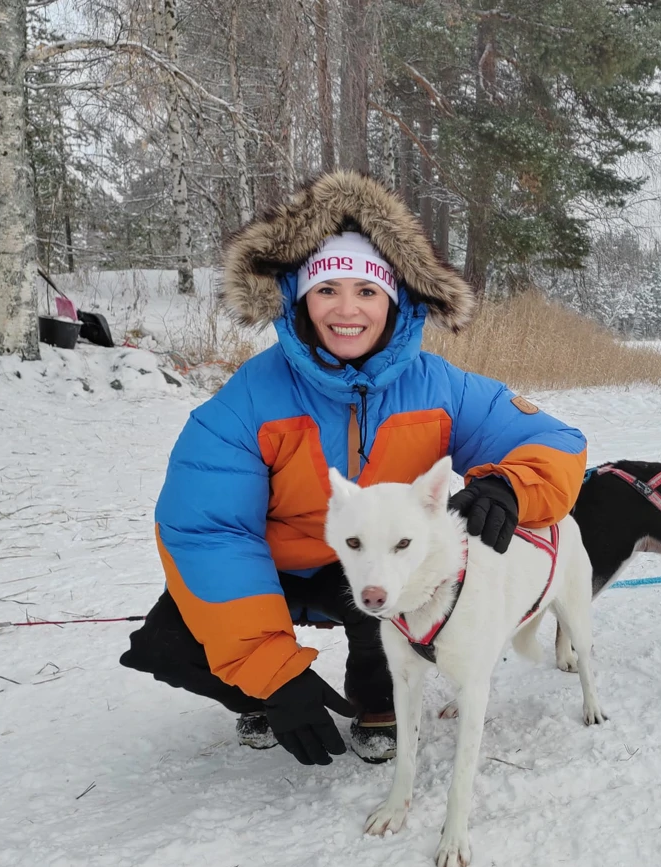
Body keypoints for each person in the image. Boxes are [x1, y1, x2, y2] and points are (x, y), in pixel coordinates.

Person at [120, 171, 587, 766]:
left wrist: (510, 485)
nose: (347, 310)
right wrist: (272, 671)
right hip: (277, 569)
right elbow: (208, 531)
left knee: (392, 584)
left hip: (375, 563)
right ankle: (259, 697)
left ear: (395, 299)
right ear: (298, 298)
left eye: (367, 292)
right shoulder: (248, 400)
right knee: (166, 644)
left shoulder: (439, 387)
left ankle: (378, 704)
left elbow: (552, 439)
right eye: (327, 290)